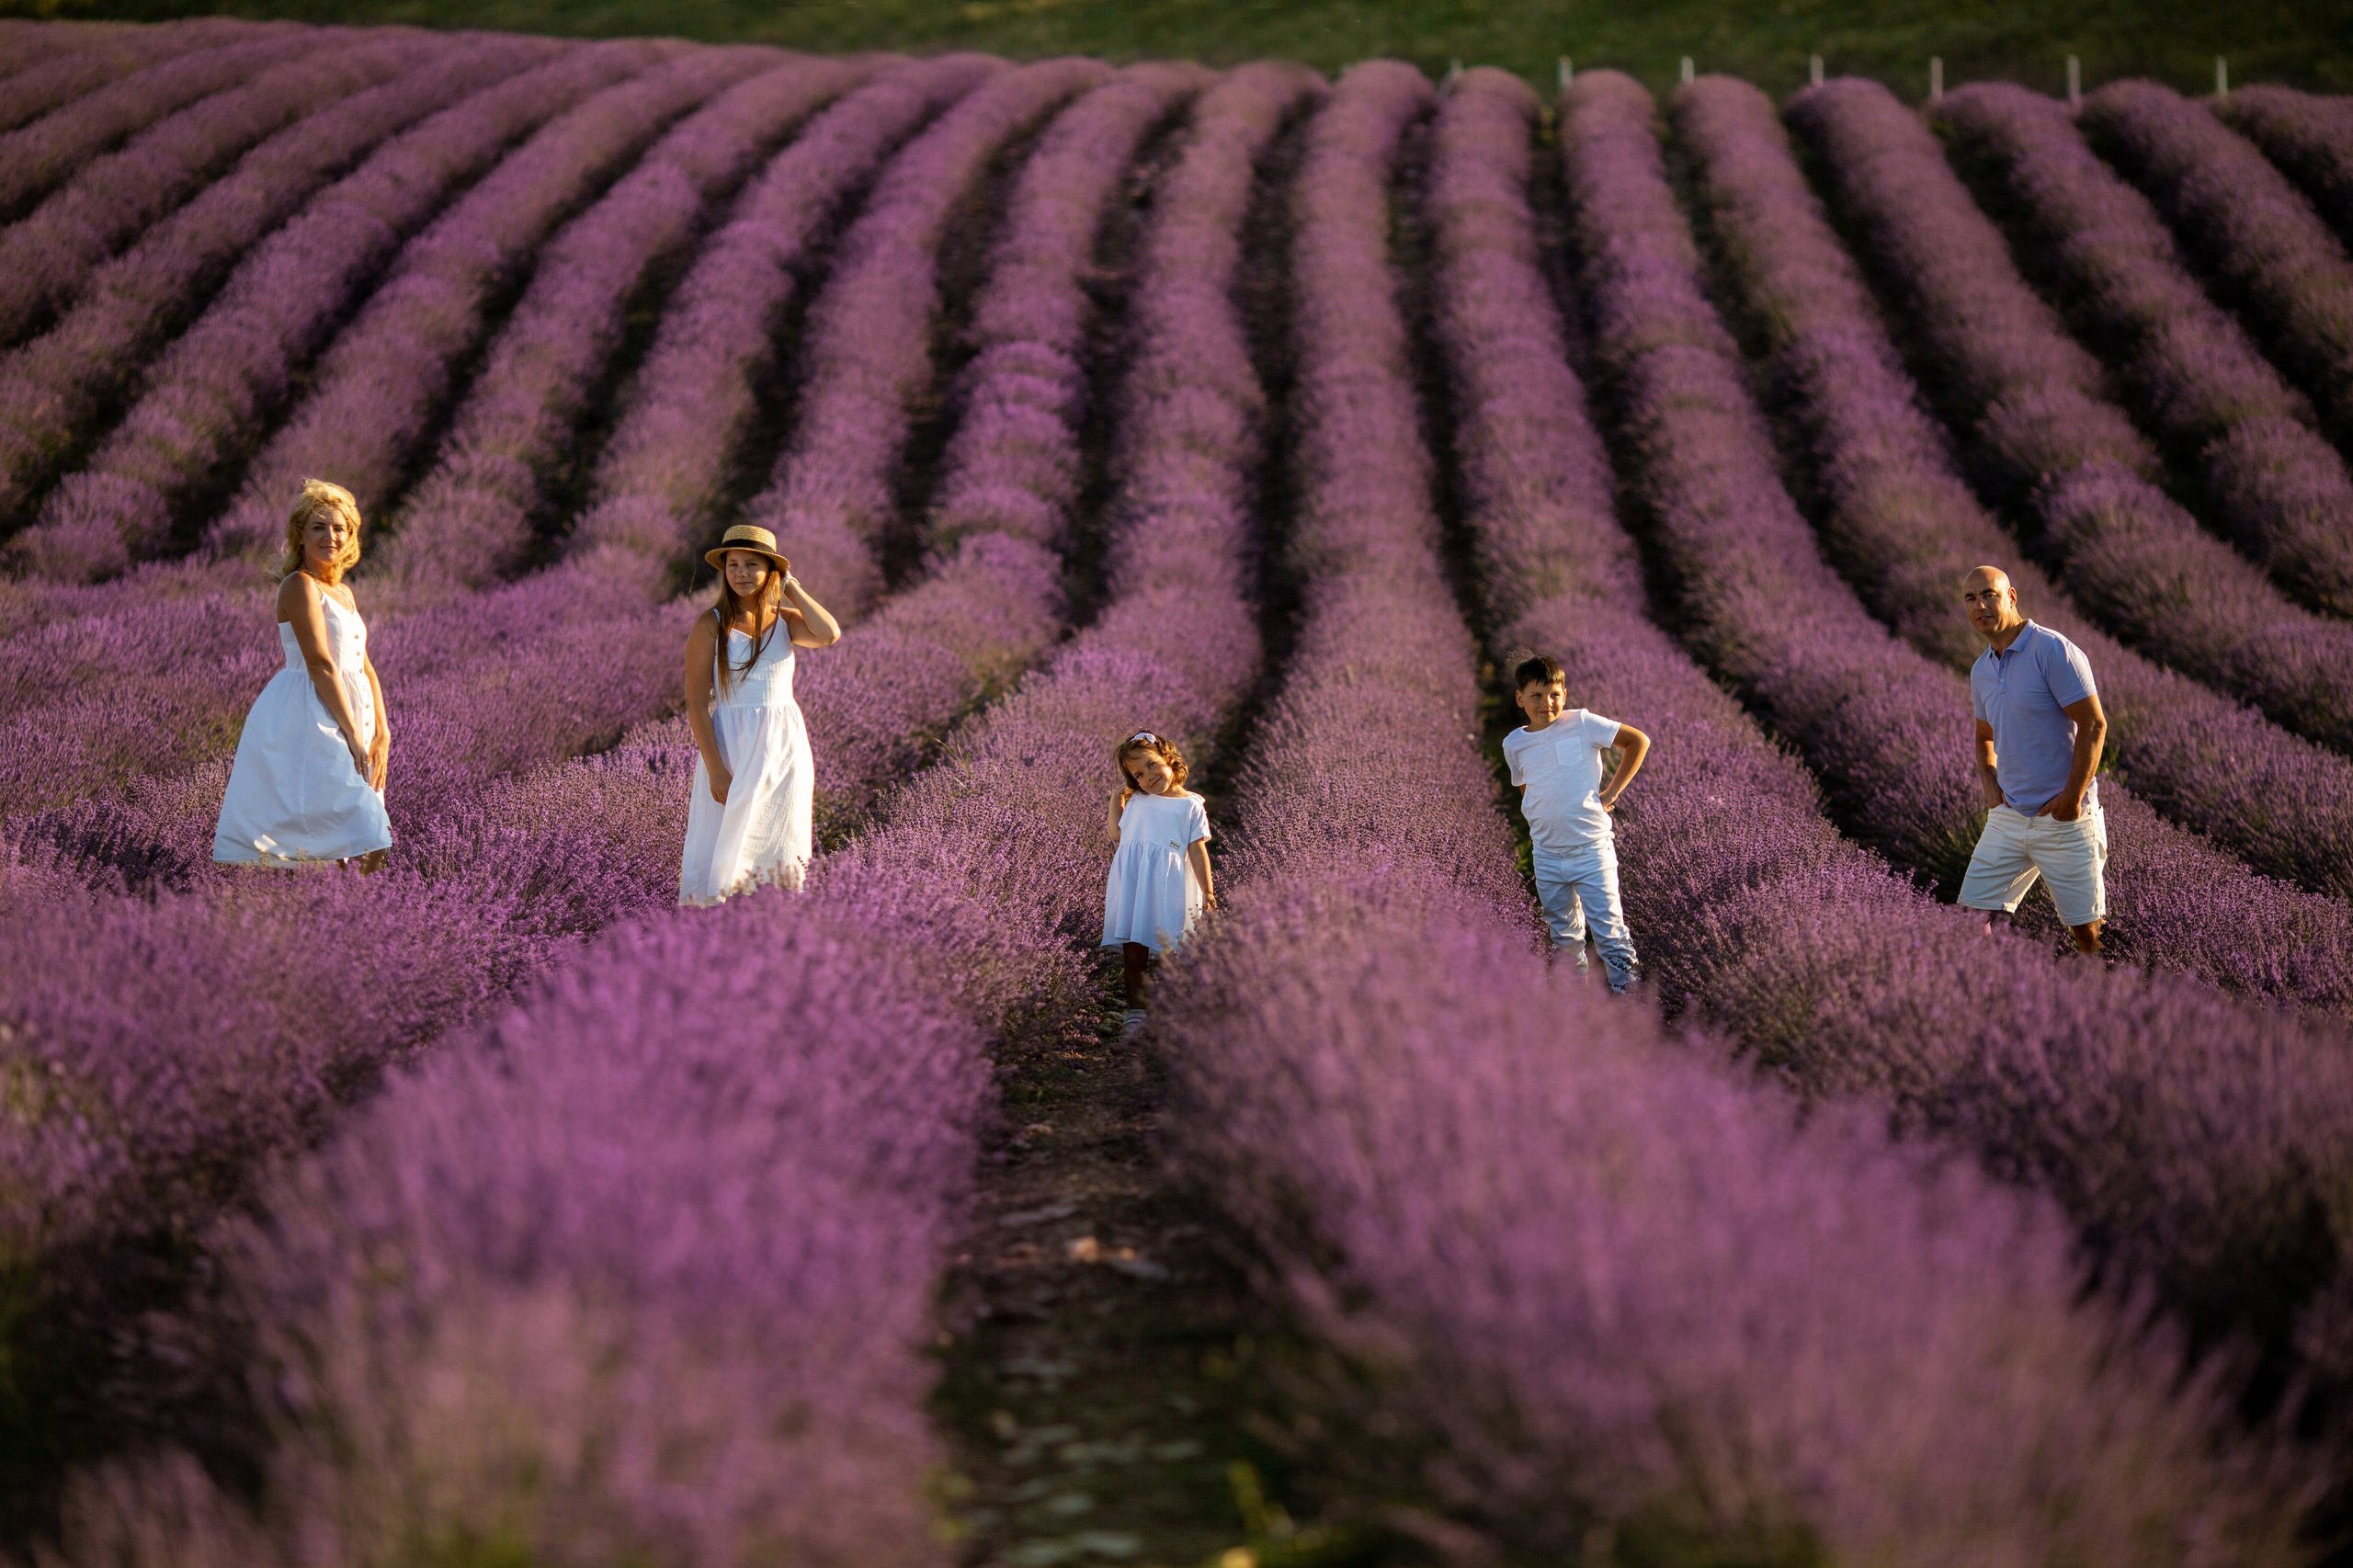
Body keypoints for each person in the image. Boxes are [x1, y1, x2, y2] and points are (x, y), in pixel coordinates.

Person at [213, 480, 392, 871]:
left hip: (352, 717)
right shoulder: (299, 586)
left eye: (339, 527)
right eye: (319, 526)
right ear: (300, 534)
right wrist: (350, 734)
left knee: (355, 834)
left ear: (350, 536)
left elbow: (364, 665)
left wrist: (382, 732)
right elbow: (320, 664)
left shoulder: (344, 592)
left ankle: (343, 913)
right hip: (315, 715)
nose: (331, 535)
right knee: (363, 830)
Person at [679, 524, 841, 905]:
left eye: (752, 564)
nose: (740, 573)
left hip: (784, 748)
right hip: (732, 744)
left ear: (771, 571)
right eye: (732, 564)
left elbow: (829, 633)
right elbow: (695, 702)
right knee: (725, 839)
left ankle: (772, 925)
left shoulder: (785, 621)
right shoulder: (710, 624)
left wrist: (792, 588)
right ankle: (716, 929)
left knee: (780, 839)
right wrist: (716, 768)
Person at [1957, 565, 2109, 954]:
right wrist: (1991, 788)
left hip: (2064, 819)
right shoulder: (1981, 670)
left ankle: (2105, 1003)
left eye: (1989, 594)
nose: (1980, 606)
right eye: (1971, 598)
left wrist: (2071, 800)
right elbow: (1983, 736)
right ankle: (1998, 996)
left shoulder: (2052, 650)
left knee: (2087, 932)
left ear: (2011, 597)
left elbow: (2094, 726)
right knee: (1968, 920)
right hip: (2008, 818)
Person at [1500, 654, 1647, 992]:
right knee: (1564, 939)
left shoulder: (1581, 722)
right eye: (1536, 695)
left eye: (1554, 694)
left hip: (1591, 850)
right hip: (1548, 855)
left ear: (1564, 695)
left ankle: (1630, 1007)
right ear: (1520, 698)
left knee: (1611, 935)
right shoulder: (1514, 744)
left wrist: (1611, 790)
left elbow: (1638, 741)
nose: (1546, 703)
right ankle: (1576, 1011)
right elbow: (1528, 790)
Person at [1100, 730, 1215, 1037]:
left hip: (1170, 882)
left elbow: (1196, 849)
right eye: (1138, 774)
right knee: (1133, 947)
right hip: (1136, 881)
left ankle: (1169, 1010)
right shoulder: (1138, 801)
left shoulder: (1190, 805)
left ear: (1168, 759)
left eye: (1151, 765)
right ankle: (1136, 1012)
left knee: (1169, 944)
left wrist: (1209, 892)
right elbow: (1118, 836)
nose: (1148, 777)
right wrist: (1115, 800)